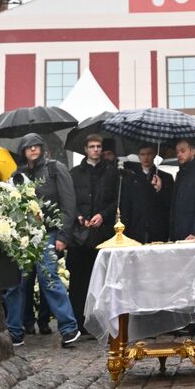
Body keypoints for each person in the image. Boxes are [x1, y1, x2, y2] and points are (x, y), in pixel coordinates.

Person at [4, 135, 83, 348]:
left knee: (49, 278)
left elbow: (69, 203)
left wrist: (63, 236)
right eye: (28, 147)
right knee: (15, 284)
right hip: (22, 236)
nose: (32, 149)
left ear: (42, 147)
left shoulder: (55, 168)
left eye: (36, 145)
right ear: (22, 151)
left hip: (48, 233)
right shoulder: (17, 175)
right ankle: (14, 332)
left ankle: (68, 329)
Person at [67, 135, 118, 320]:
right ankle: (78, 321)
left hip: (102, 234)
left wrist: (102, 216)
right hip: (80, 236)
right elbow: (69, 200)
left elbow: (115, 201)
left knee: (102, 278)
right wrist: (79, 216)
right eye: (92, 146)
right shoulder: (74, 173)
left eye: (98, 146)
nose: (96, 149)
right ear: (86, 149)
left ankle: (101, 320)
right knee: (79, 280)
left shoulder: (111, 172)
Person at [121, 141, 173, 243]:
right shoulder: (131, 179)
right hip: (136, 230)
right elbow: (126, 207)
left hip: (159, 229)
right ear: (139, 156)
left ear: (154, 155)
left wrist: (160, 190)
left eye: (149, 154)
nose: (146, 157)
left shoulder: (166, 178)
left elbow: (170, 204)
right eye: (142, 154)